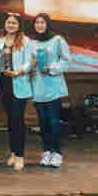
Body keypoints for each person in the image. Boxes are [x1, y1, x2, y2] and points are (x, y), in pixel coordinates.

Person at [30, 13, 71, 168]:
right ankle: (46, 151)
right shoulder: (31, 42)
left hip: (53, 85)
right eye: (37, 22)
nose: (39, 25)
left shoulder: (57, 40)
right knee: (43, 122)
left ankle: (57, 153)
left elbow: (66, 59)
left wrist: (52, 68)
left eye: (42, 22)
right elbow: (29, 62)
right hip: (38, 86)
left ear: (47, 24)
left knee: (54, 121)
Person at [0, 13, 33, 171]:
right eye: (8, 22)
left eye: (14, 23)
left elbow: (31, 61)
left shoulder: (26, 41)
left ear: (19, 25)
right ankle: (13, 152)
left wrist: (19, 71)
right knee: (10, 120)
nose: (11, 25)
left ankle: (20, 155)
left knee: (17, 119)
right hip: (4, 84)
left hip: (19, 82)